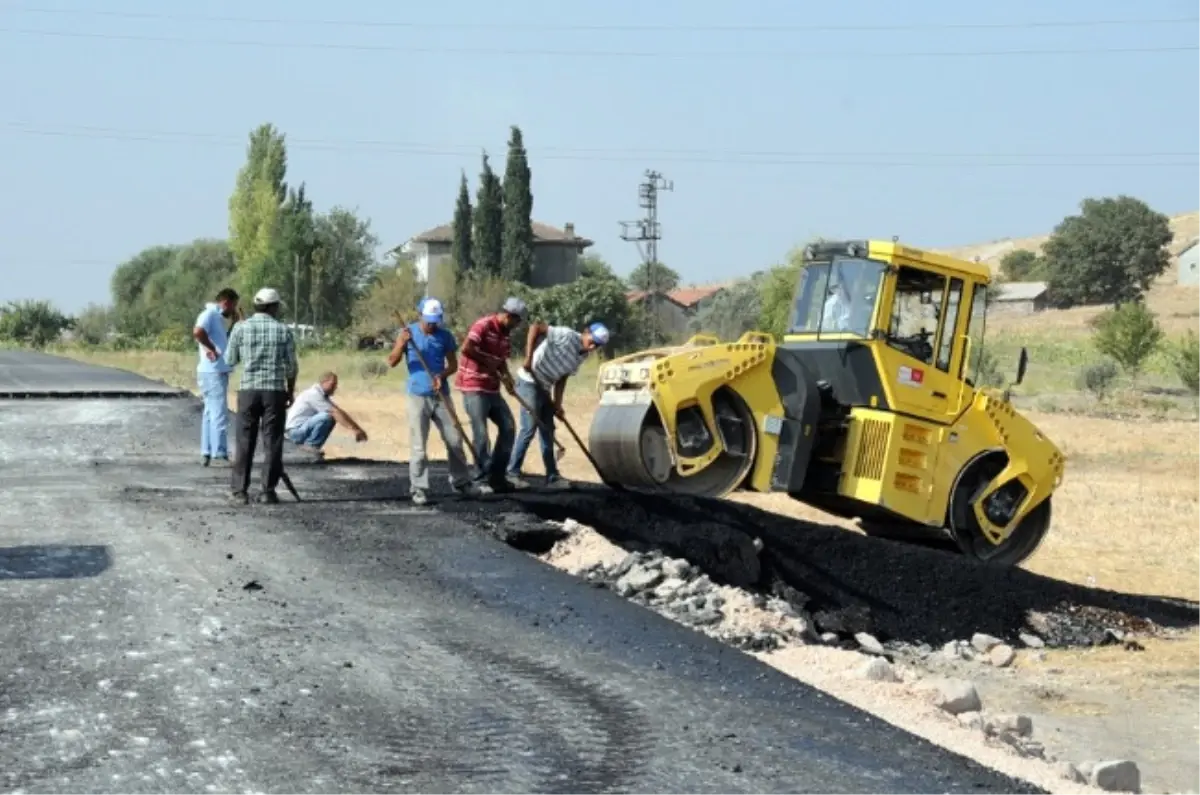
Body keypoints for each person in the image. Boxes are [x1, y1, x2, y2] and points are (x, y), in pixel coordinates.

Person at [386, 297, 477, 505]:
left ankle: (461, 482)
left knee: (455, 439)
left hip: (441, 395)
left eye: (435, 321)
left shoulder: (445, 336)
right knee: (419, 445)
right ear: (420, 316)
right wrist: (401, 344)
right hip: (417, 395)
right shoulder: (408, 333)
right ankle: (418, 488)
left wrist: (441, 376)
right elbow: (391, 362)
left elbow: (453, 365)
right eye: (429, 321)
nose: (432, 325)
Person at [506, 320, 610, 490]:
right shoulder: (566, 335)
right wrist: (528, 357)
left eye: (597, 346)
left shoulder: (582, 355)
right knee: (529, 427)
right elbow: (535, 327)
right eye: (592, 342)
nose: (592, 348)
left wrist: (557, 404)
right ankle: (512, 474)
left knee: (548, 430)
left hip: (545, 386)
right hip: (529, 381)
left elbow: (562, 377)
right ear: (585, 332)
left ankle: (552, 477)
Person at [222, 287, 298, 505]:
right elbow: (291, 367)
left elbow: (229, 360)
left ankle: (239, 491)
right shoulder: (283, 330)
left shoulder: (241, 328)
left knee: (245, 440)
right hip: (274, 391)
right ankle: (268, 491)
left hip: (248, 391)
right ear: (273, 307)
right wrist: (290, 391)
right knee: (272, 441)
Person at [456, 296, 526, 494]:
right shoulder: (483, 325)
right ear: (509, 316)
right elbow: (467, 348)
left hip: (492, 388)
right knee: (481, 433)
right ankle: (479, 478)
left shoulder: (505, 335)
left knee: (509, 427)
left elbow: (501, 361)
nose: (517, 325)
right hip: (473, 386)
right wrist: (488, 361)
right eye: (517, 321)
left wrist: (508, 379)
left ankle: (497, 477)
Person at [192, 287, 240, 467]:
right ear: (226, 302)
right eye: (233, 305)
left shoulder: (217, 318)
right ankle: (219, 453)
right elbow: (198, 332)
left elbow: (224, 343)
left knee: (210, 412)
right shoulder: (209, 314)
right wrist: (210, 348)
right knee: (219, 412)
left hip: (214, 370)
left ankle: (207, 451)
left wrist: (235, 324)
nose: (233, 310)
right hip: (213, 371)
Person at [284, 372, 368, 457]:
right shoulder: (313, 394)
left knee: (331, 415)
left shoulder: (321, 395)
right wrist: (355, 430)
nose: (335, 387)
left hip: (299, 430)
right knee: (327, 417)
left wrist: (358, 429)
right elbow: (334, 412)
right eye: (333, 384)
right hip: (295, 432)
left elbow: (339, 411)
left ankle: (309, 449)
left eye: (335, 385)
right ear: (324, 382)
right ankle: (310, 448)